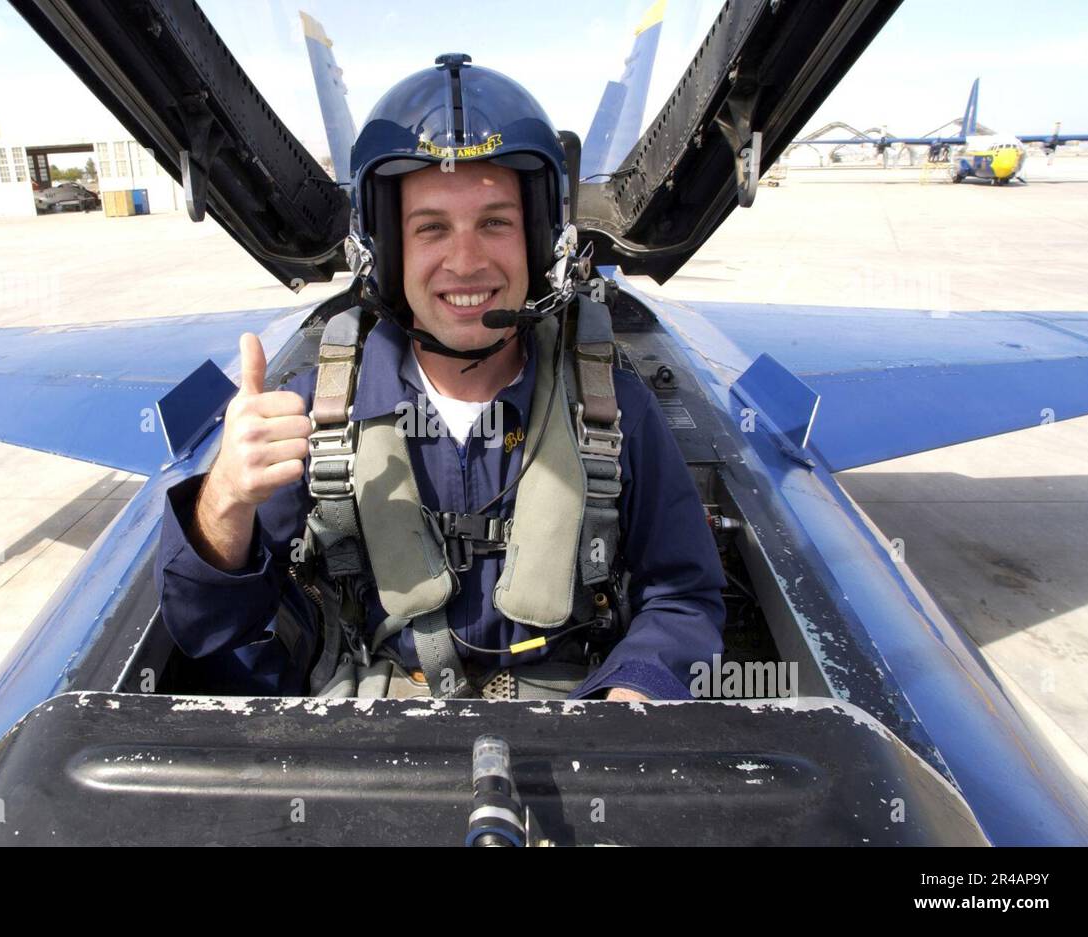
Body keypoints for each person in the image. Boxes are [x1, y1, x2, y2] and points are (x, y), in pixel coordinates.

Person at [154, 55, 726, 701]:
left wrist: (637, 690)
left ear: (540, 243)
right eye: (430, 229)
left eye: (495, 223)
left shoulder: (614, 408)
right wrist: (226, 496)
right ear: (388, 252)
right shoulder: (310, 416)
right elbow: (205, 629)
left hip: (576, 728)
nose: (465, 260)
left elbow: (683, 597)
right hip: (371, 734)